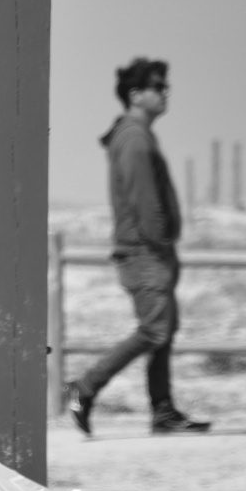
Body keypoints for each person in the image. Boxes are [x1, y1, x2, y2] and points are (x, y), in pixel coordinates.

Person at [66, 57, 211, 437]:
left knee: (163, 329)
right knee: (154, 330)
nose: (165, 93)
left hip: (147, 251)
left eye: (165, 86)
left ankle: (163, 410)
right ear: (135, 94)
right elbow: (145, 201)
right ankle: (85, 387)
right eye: (158, 87)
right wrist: (161, 243)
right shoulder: (133, 138)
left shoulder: (135, 135)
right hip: (145, 251)